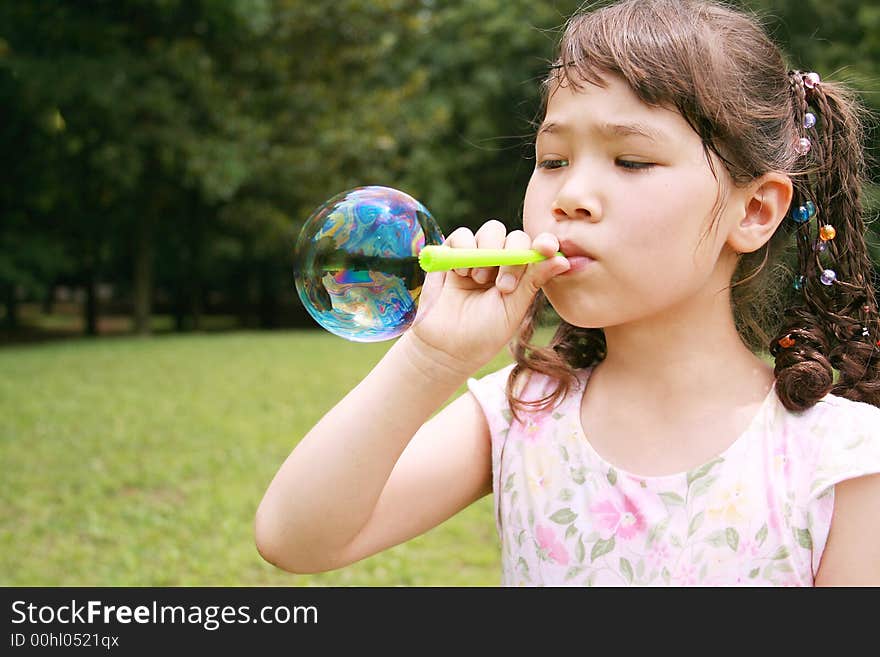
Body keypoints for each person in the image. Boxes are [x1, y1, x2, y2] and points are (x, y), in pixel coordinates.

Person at [255, 0, 880, 586]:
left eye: (631, 161)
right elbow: (296, 538)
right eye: (552, 160)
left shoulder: (842, 459)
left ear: (754, 210)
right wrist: (433, 359)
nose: (569, 195)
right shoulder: (519, 413)